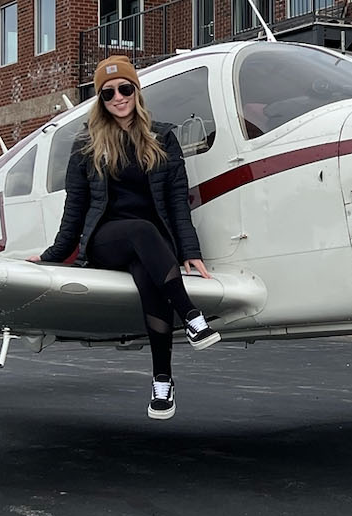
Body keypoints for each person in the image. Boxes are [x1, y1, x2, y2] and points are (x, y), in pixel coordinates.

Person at [29, 55, 219, 420]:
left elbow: (179, 200)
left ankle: (162, 382)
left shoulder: (163, 137)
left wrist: (190, 250)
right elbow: (76, 208)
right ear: (100, 101)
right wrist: (55, 254)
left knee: (151, 281)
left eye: (125, 88)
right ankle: (192, 316)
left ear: (136, 90)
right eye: (108, 93)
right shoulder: (85, 145)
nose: (118, 97)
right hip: (106, 240)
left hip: (148, 246)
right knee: (139, 230)